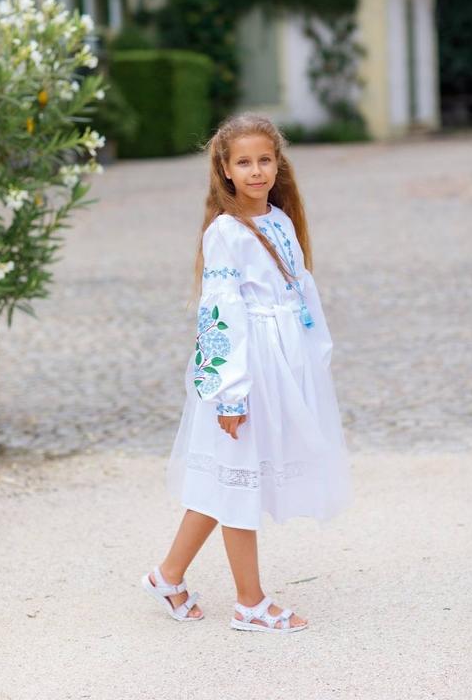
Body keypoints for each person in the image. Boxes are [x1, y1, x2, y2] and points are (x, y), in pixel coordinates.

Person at [141, 112, 353, 633]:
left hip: (280, 367)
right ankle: (250, 603)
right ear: (225, 170)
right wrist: (230, 393)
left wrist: (313, 358)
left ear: (278, 164)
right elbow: (220, 311)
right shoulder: (226, 232)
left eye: (264, 160)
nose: (256, 171)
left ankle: (168, 576)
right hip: (245, 369)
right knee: (238, 480)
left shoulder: (282, 221)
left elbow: (303, 292)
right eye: (244, 162)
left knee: (233, 475)